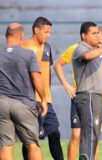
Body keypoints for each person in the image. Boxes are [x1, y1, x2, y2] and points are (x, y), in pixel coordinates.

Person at [54, 25, 102, 160]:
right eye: (97, 37)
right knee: (76, 135)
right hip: (82, 95)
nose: (100, 44)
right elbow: (58, 64)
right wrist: (67, 85)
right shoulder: (77, 49)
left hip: (97, 97)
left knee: (93, 134)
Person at [72, 21, 102, 160]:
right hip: (88, 97)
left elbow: (96, 79)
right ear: (83, 35)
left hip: (97, 97)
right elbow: (87, 56)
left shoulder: (95, 54)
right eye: (93, 34)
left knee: (93, 137)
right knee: (89, 135)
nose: (97, 37)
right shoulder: (81, 48)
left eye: (97, 34)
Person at [0, 23, 47, 160]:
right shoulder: (28, 54)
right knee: (32, 144)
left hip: (2, 103)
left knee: (6, 146)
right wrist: (43, 99)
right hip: (23, 104)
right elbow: (36, 78)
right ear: (22, 35)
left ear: (6, 35)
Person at [21, 17, 64, 160]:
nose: (48, 35)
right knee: (30, 139)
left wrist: (46, 93)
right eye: (46, 32)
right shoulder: (24, 47)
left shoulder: (48, 47)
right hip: (29, 100)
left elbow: (47, 71)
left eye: (50, 32)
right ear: (36, 30)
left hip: (45, 99)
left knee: (54, 133)